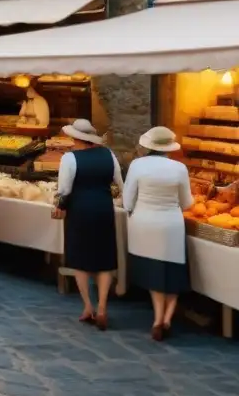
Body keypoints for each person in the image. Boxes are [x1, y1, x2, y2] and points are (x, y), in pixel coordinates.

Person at [124, 127, 194, 341]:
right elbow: (187, 203)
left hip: (145, 224)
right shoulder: (179, 168)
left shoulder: (137, 165)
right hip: (171, 225)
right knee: (173, 273)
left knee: (155, 274)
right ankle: (167, 318)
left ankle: (157, 318)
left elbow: (128, 200)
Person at [53, 119, 124, 331]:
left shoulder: (69, 158)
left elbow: (64, 189)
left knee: (80, 258)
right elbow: (119, 184)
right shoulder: (109, 155)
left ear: (76, 138)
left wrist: (59, 205)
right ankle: (102, 306)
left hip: (80, 209)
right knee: (104, 258)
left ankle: (88, 306)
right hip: (103, 208)